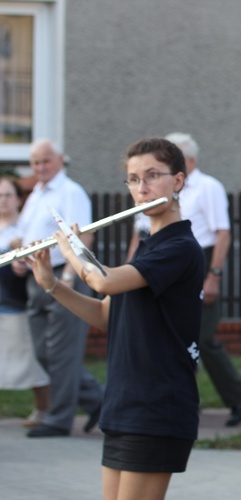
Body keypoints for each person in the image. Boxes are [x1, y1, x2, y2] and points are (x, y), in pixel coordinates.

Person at [26, 137, 204, 500]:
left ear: (179, 181)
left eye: (152, 176)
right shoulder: (148, 246)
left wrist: (72, 249)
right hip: (124, 399)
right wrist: (52, 286)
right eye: (134, 179)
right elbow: (106, 314)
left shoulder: (179, 247)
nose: (142, 188)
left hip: (158, 403)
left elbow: (102, 279)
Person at [127, 132, 241, 426]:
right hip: (157, 261)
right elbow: (140, 230)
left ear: (190, 162)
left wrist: (214, 275)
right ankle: (180, 403)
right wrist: (129, 267)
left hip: (197, 259)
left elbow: (222, 233)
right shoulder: (153, 188)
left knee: (202, 338)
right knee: (174, 336)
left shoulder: (208, 186)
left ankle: (235, 396)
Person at [15, 139, 104, 438]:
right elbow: (28, 234)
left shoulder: (69, 192)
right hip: (37, 276)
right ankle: (101, 402)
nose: (40, 167)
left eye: (45, 161)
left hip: (64, 277)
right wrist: (20, 259)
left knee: (62, 352)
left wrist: (68, 275)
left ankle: (60, 418)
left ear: (60, 160)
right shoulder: (37, 193)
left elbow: (82, 236)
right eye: (36, 162)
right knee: (43, 351)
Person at [0, 176, 50, 426]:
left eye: (8, 195)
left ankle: (43, 409)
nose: (3, 200)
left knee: (28, 362)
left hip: (16, 305)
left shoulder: (25, 229)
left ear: (18, 198)